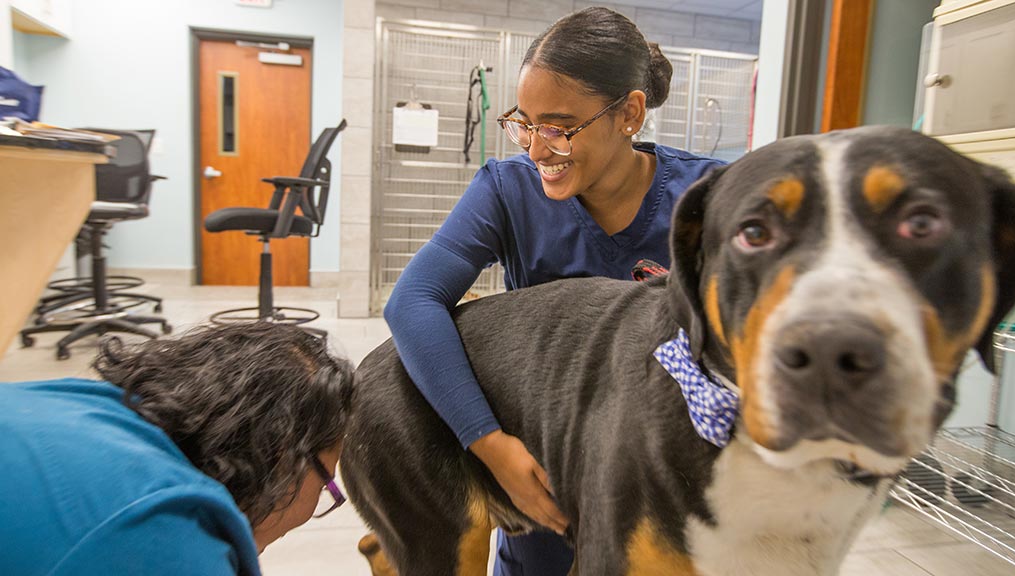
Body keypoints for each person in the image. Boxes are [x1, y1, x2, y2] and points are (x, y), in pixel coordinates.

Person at [383, 6, 725, 575]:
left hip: (673, 482)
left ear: (629, 113)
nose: (537, 149)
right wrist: (490, 445)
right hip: (549, 476)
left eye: (560, 127)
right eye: (525, 122)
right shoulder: (508, 191)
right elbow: (413, 302)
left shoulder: (709, 197)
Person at [0, 323, 353, 576]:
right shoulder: (166, 540)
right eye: (326, 485)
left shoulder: (68, 399)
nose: (320, 499)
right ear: (282, 455)